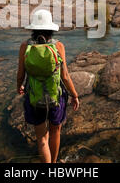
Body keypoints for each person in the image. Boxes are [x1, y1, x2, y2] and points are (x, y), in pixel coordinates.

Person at [16, 9, 80, 163]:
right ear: (51, 28)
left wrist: (19, 87)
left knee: (42, 139)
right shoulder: (58, 46)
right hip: (56, 96)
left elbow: (20, 74)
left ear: (33, 28)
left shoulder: (25, 46)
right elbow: (65, 76)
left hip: (34, 96)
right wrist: (74, 95)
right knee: (55, 132)